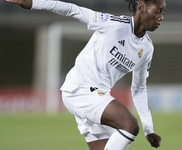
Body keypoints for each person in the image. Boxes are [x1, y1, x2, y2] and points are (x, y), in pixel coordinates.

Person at [7, 0, 166, 149]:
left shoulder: (146, 48)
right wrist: (34, 3)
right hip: (81, 89)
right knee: (130, 125)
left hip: (98, 97)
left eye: (163, 13)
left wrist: (148, 129)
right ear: (141, 8)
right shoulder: (112, 24)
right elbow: (73, 10)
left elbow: (138, 89)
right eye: (158, 11)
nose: (161, 17)